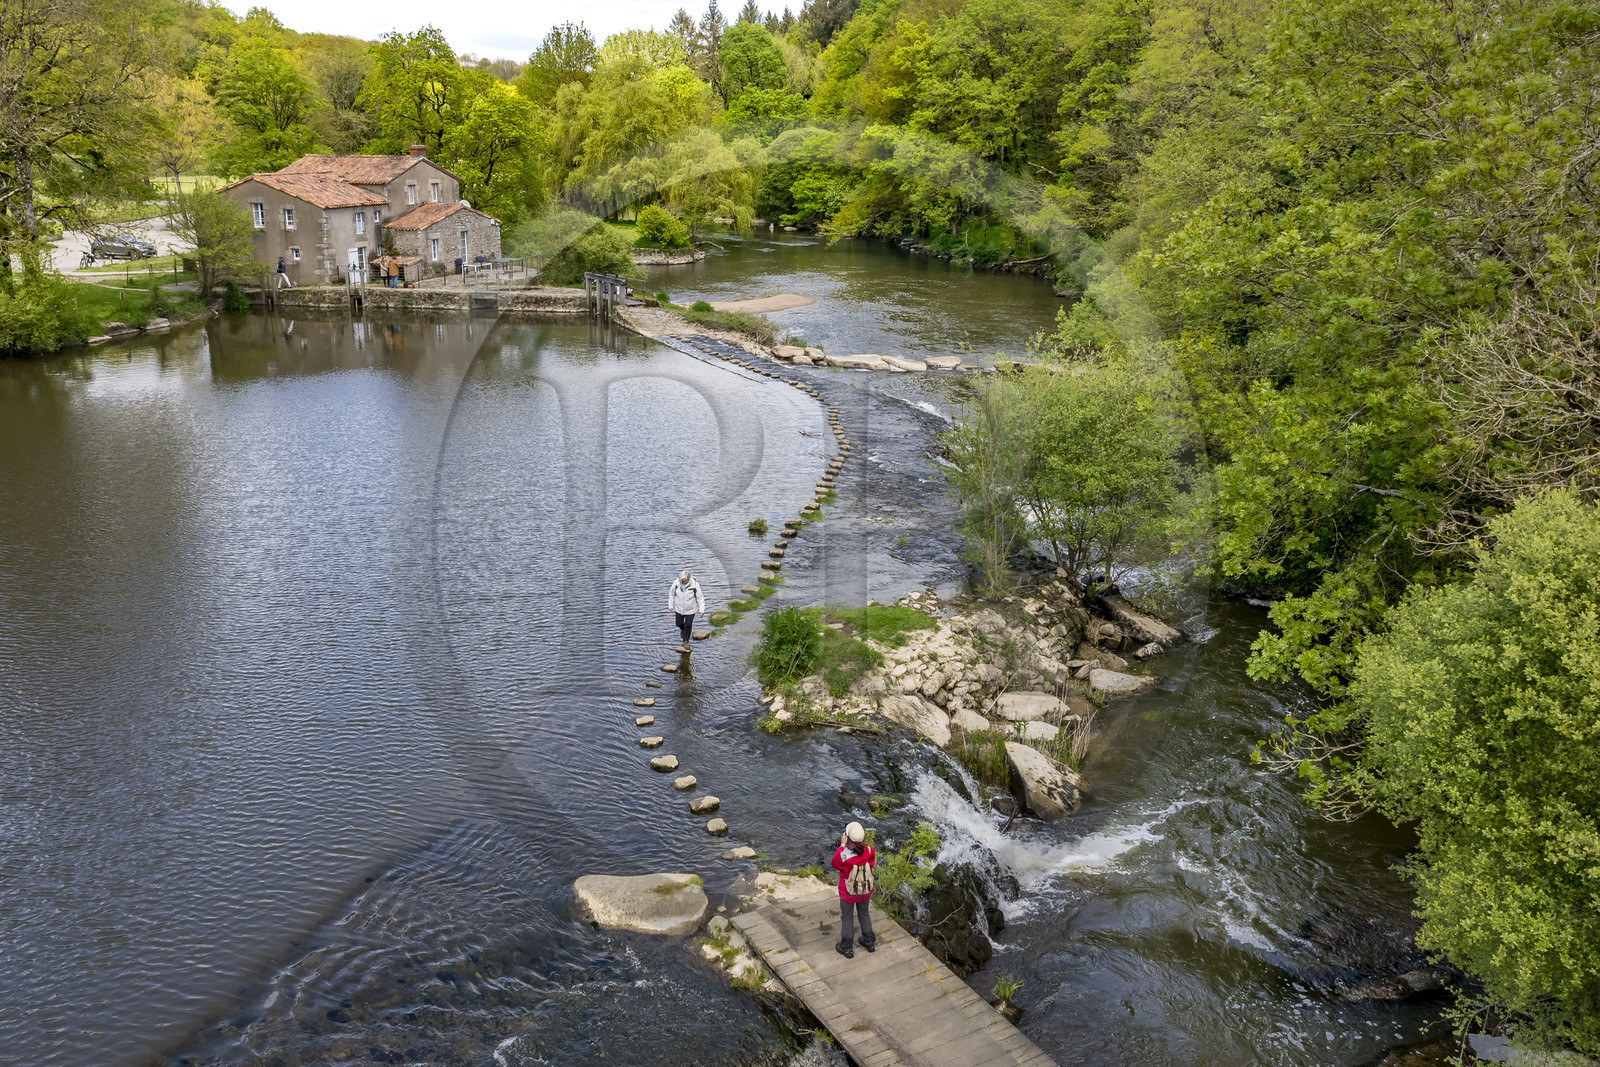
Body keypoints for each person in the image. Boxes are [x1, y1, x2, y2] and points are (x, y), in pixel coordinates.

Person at [831, 821, 876, 958]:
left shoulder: (842, 854)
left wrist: (842, 845)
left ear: (847, 838)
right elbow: (872, 864)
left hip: (848, 892)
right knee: (864, 914)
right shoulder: (869, 851)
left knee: (847, 917)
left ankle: (847, 948)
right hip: (865, 891)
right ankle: (869, 942)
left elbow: (834, 864)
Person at [666, 570, 705, 653]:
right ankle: (683, 630)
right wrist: (670, 605)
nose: (684, 582)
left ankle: (685, 641)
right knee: (678, 623)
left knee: (688, 624)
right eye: (682, 581)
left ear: (688, 579)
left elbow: (700, 598)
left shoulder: (695, 585)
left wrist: (701, 610)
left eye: (685, 581)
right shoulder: (676, 583)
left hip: (691, 609)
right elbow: (671, 594)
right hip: (679, 608)